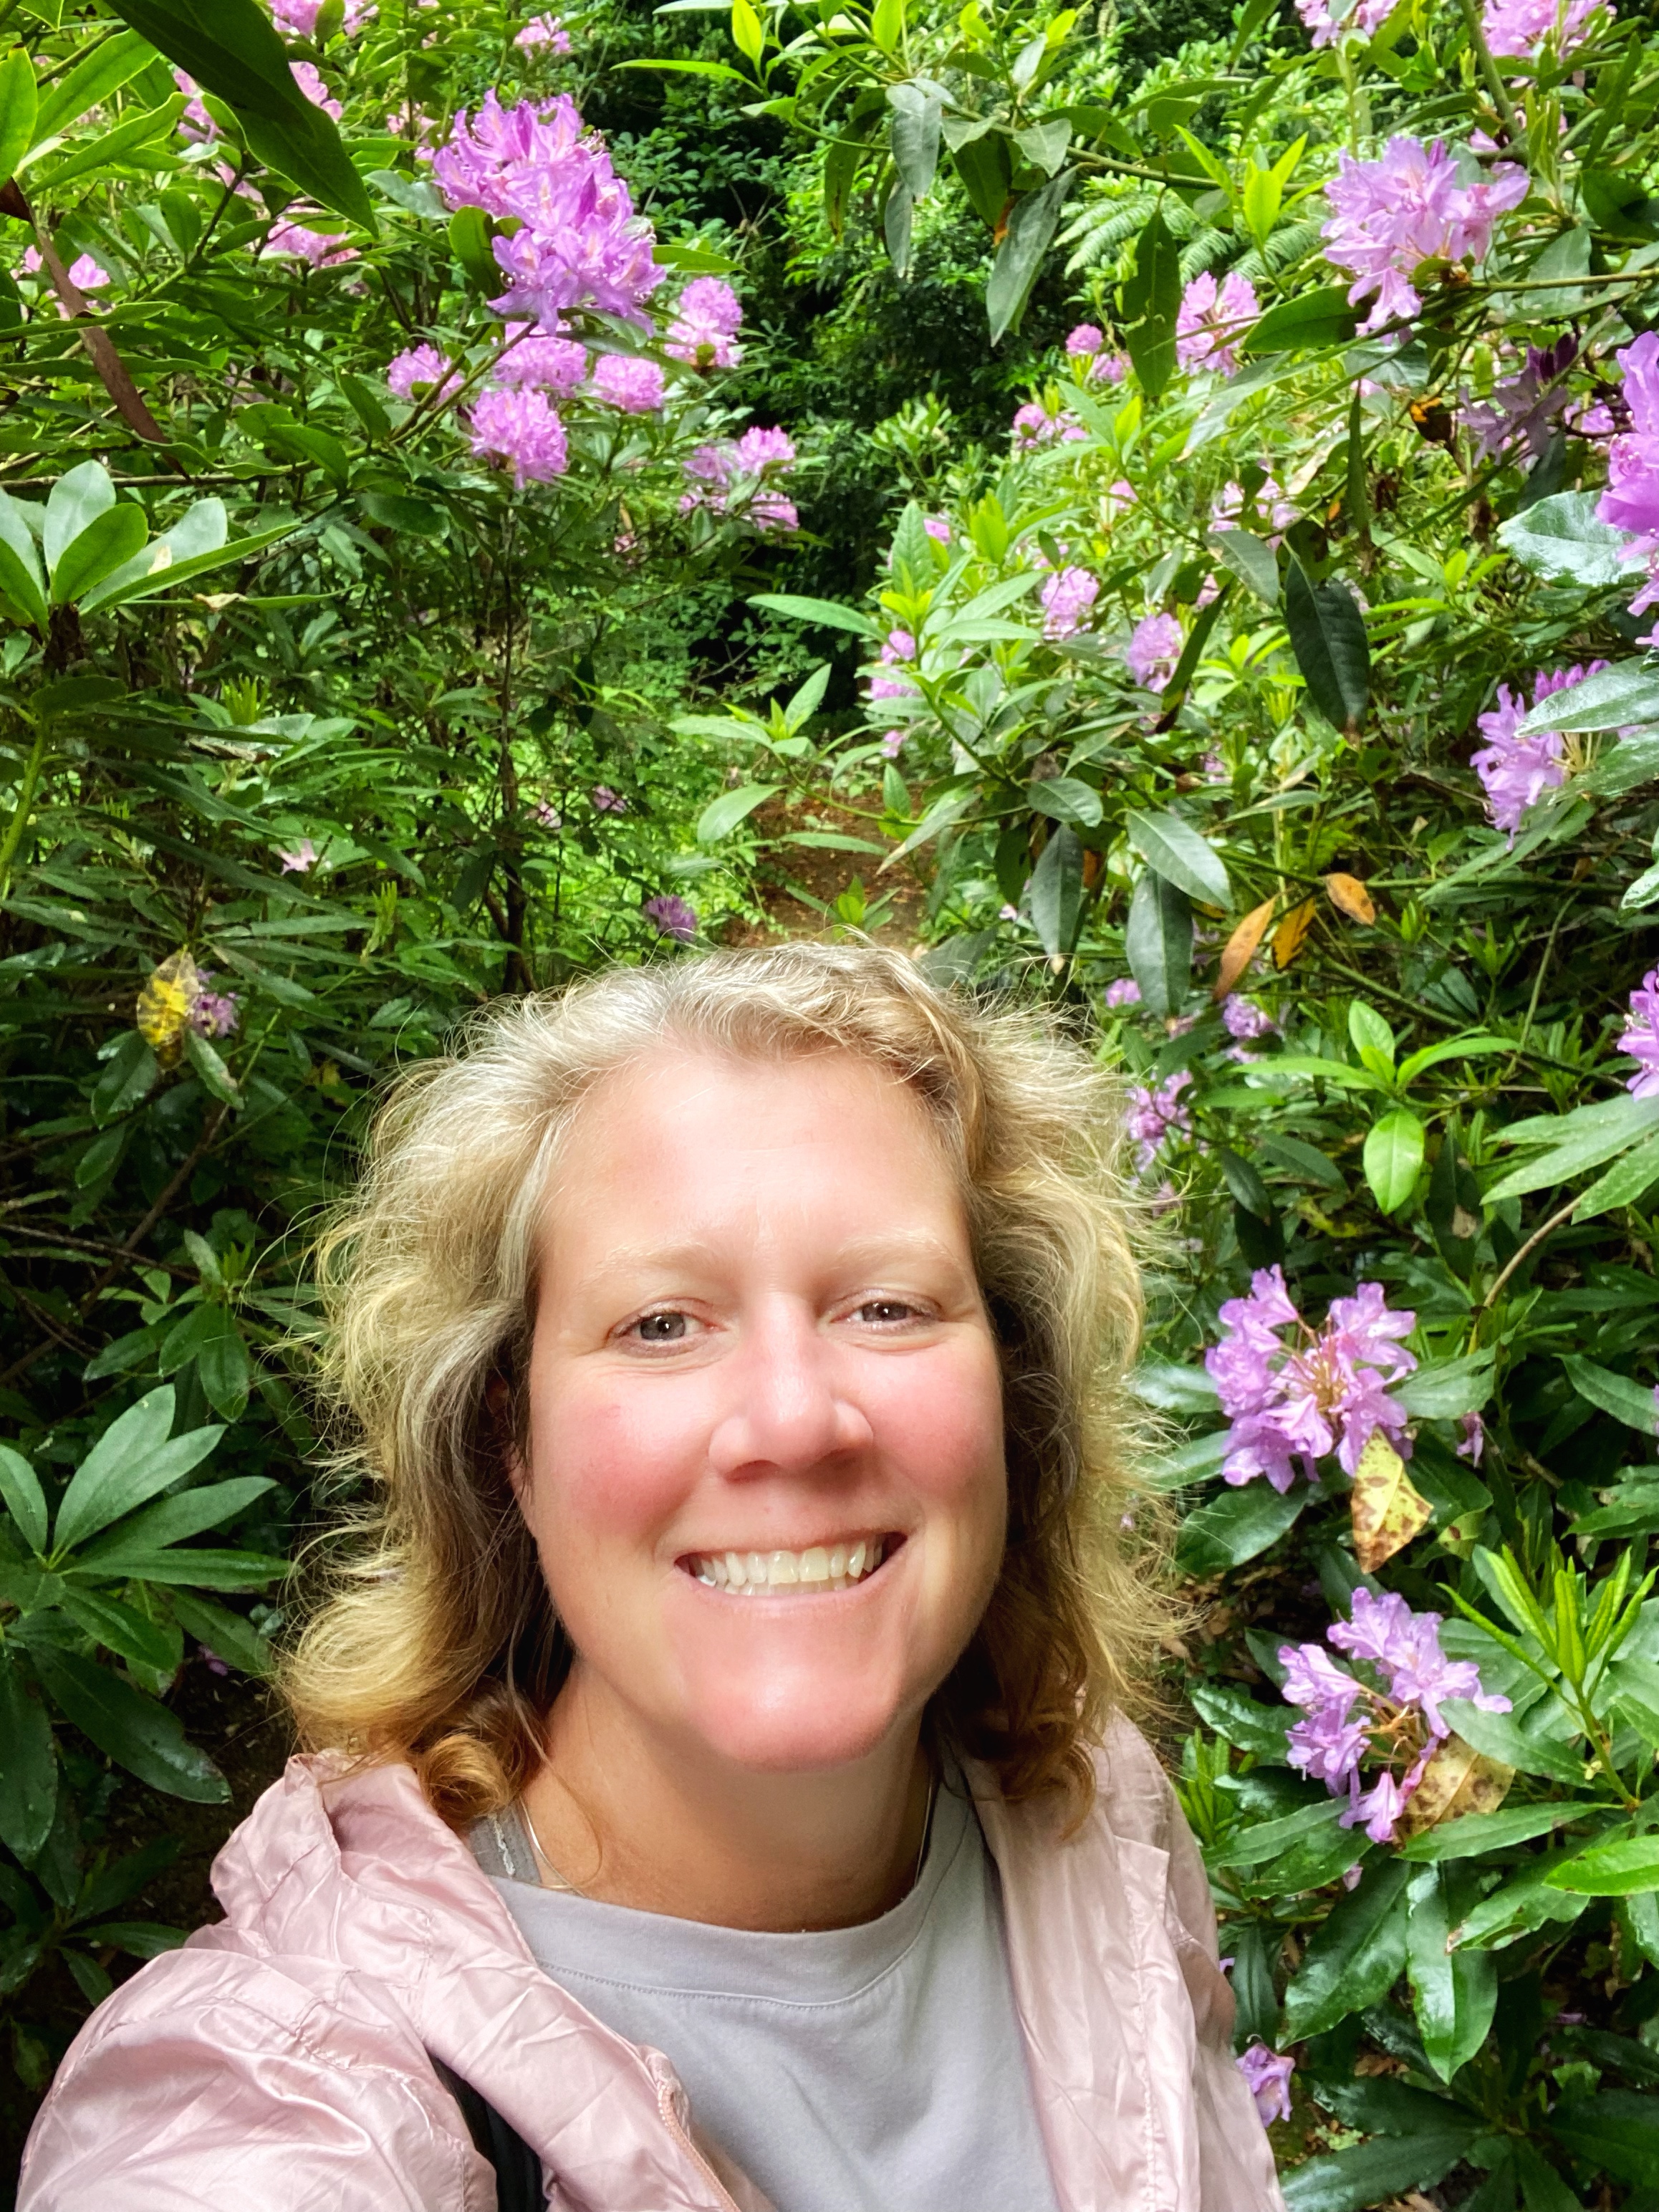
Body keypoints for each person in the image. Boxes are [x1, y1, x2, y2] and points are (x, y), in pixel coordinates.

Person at [19, 943, 1285, 2212]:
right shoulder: (289, 2087)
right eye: (662, 1325)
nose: (794, 1419)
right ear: (511, 1443)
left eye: (888, 1306)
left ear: (1012, 1396)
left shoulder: (1095, 1814)